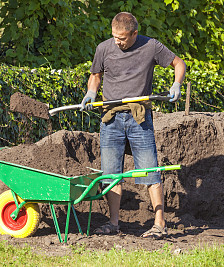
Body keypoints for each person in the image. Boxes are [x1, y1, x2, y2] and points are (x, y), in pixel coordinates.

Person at [80, 12, 186, 239]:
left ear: (134, 33)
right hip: (111, 118)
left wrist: (176, 84)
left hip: (139, 118)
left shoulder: (151, 46)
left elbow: (179, 63)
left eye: (123, 38)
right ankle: (113, 222)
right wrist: (91, 91)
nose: (118, 42)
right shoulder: (104, 48)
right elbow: (95, 75)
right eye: (115, 37)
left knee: (150, 170)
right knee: (111, 173)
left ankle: (159, 224)